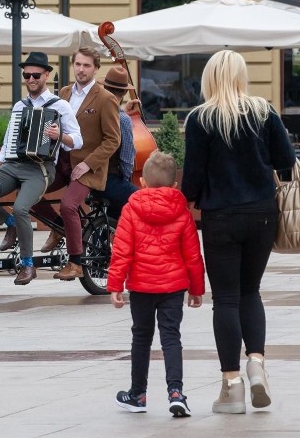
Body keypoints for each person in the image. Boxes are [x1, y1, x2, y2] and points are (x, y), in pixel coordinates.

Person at [181, 50, 295, 414]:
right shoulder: (264, 111)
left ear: (210, 78)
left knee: (226, 299)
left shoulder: (201, 119)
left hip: (221, 217)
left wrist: (189, 198)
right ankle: (257, 363)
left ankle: (232, 386)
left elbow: (193, 176)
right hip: (262, 214)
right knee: (251, 292)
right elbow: (286, 160)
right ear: (242, 76)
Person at [108, 150, 204, 417]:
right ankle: (176, 393)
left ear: (142, 182)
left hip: (141, 286)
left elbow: (122, 250)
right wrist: (196, 288)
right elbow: (192, 254)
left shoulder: (131, 208)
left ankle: (138, 394)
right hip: (173, 287)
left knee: (141, 337)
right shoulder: (182, 211)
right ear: (174, 185)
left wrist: (115, 284)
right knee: (171, 337)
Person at [0, 51, 82, 285]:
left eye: (36, 75)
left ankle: (27, 265)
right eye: (27, 75)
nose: (31, 79)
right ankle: (11, 225)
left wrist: (60, 135)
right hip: (13, 165)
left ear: (46, 75)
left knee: (21, 208)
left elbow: (79, 140)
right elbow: (9, 139)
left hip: (40, 168)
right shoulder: (19, 105)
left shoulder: (60, 105)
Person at [21, 47, 120, 281]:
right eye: (78, 64)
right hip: (60, 162)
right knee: (28, 190)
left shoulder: (106, 98)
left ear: (96, 68)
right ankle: (58, 227)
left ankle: (75, 262)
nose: (81, 69)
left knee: (68, 205)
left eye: (87, 65)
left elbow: (113, 140)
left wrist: (88, 164)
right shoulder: (63, 93)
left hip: (87, 167)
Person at [96, 65, 139, 221]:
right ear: (126, 92)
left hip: (90, 179)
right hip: (110, 181)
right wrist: (126, 179)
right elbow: (127, 161)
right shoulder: (124, 120)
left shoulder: (95, 112)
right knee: (144, 200)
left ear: (104, 87)